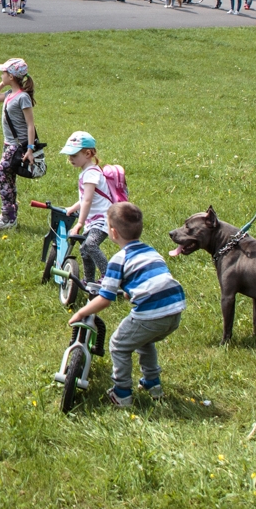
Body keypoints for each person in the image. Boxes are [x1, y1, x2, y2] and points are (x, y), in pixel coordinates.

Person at [67, 201, 186, 406]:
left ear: (113, 232)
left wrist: (81, 313)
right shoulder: (150, 251)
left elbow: (105, 298)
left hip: (152, 312)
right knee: (144, 340)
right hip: (174, 309)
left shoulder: (119, 259)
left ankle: (121, 393)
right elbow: (151, 278)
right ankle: (152, 383)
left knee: (119, 345)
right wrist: (131, 292)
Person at [0, 58, 38, 232]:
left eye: (4, 73)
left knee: (0, 175)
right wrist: (3, 83)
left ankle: (7, 216)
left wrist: (30, 149)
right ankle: (10, 216)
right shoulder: (9, 94)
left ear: (12, 76)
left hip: (17, 146)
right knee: (8, 178)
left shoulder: (23, 97)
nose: (1, 75)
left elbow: (30, 125)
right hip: (8, 145)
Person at [58, 131, 112, 287]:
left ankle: (108, 277)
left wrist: (79, 223)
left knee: (90, 245)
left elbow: (87, 200)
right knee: (84, 249)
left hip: (102, 219)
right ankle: (89, 280)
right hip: (94, 220)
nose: (70, 159)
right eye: (69, 155)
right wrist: (73, 208)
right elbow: (85, 198)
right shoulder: (87, 172)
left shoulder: (91, 174)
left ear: (88, 154)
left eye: (74, 155)